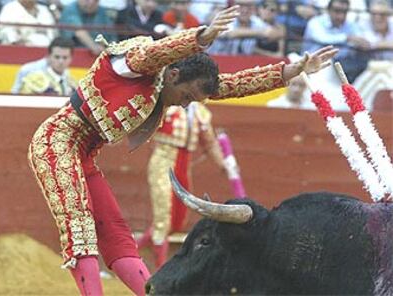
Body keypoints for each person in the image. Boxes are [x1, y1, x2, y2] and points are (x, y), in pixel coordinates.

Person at [28, 5, 337, 296]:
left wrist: (291, 71)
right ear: (173, 75)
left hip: (86, 153)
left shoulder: (172, 84)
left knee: (116, 231)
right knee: (80, 227)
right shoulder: (134, 64)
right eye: (187, 96)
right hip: (57, 140)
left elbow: (232, 85)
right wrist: (200, 37)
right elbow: (157, 51)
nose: (185, 103)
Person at [136, 101, 225, 269]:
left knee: (177, 220)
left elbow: (210, 142)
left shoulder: (200, 111)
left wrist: (223, 165)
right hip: (163, 161)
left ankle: (133, 251)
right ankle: (160, 268)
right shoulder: (167, 105)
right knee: (163, 218)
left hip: (184, 166)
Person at [303, 0, 371, 82]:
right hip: (316, 65)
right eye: (337, 11)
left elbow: (361, 39)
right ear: (328, 10)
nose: (341, 16)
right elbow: (323, 38)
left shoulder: (350, 25)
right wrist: (347, 38)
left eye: (344, 12)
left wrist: (361, 42)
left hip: (344, 66)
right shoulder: (315, 22)